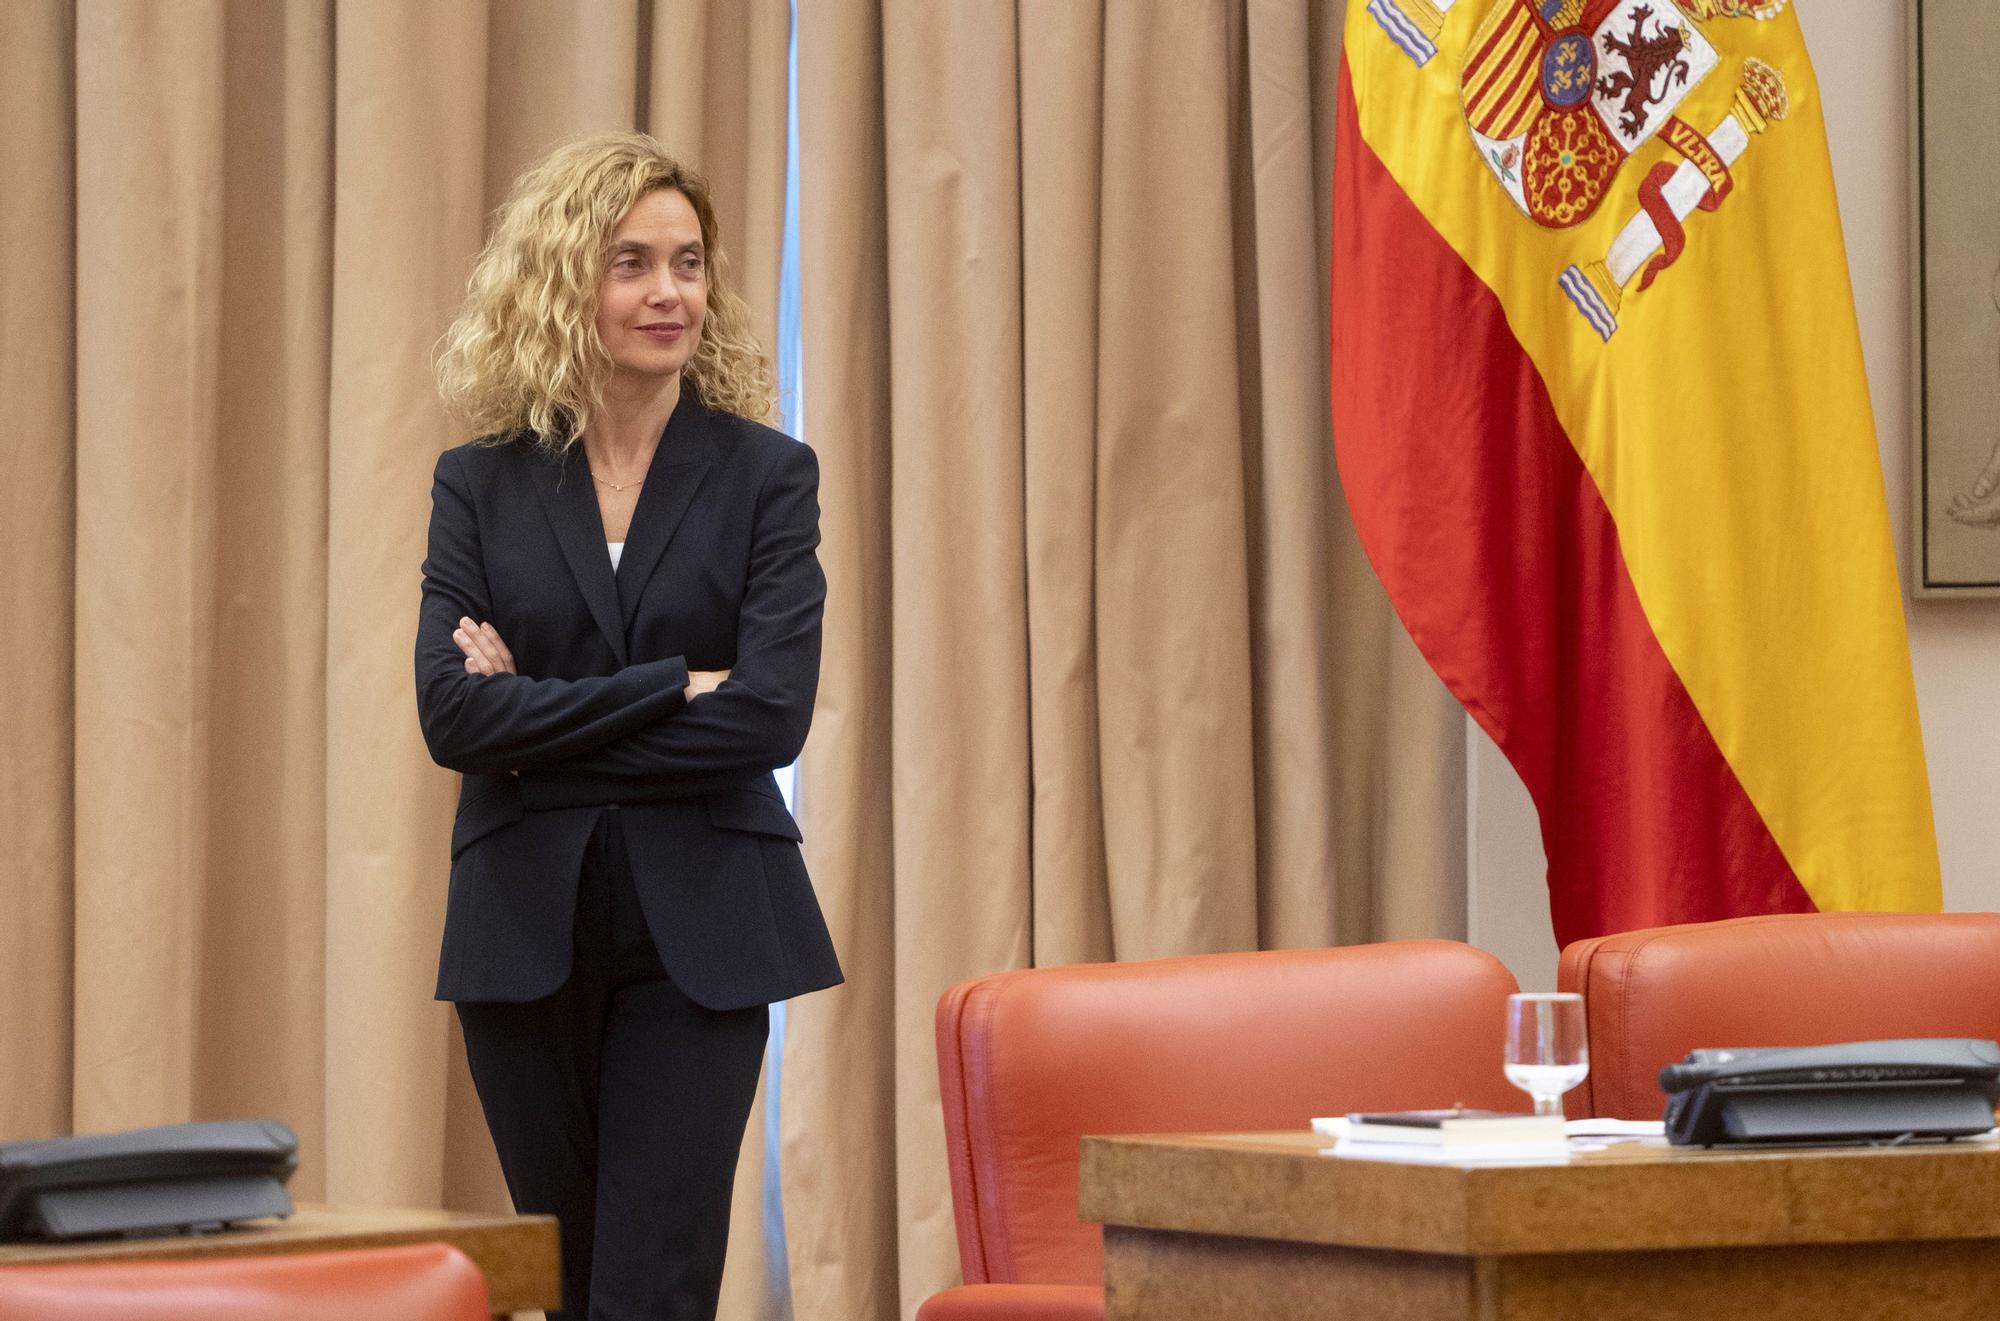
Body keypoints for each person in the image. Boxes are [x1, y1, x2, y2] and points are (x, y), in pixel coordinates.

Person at [417, 131, 842, 1321]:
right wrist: (670, 687)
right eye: (632, 263)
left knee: (650, 1291)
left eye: (689, 262)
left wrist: (535, 723)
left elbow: (767, 714)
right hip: (522, 924)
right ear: (564, 285)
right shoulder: (480, 484)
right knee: (564, 1285)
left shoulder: (768, 475)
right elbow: (452, 712)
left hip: (702, 926)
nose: (670, 292)